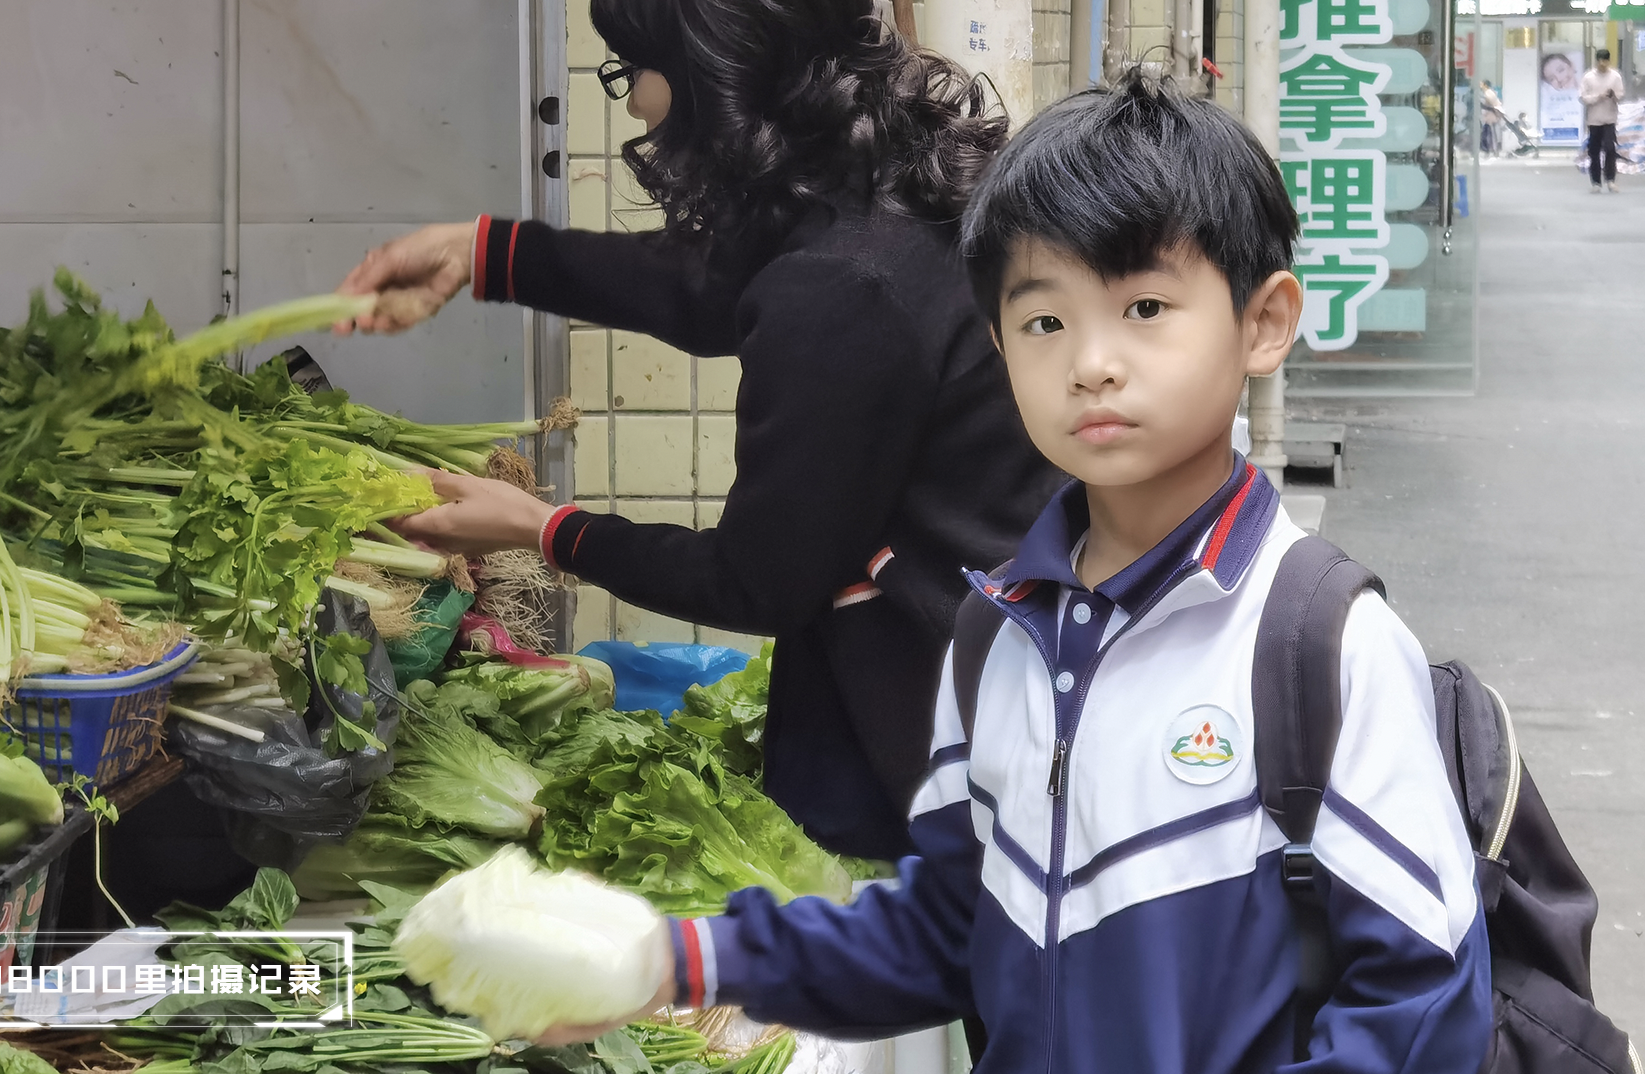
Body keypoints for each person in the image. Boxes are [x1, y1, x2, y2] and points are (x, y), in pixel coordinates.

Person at [521, 73, 1494, 1072]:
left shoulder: (1320, 642)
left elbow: (1420, 1008)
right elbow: (944, 933)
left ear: (1264, 322)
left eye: (1147, 306)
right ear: (998, 342)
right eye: (1044, 322)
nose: (1092, 364)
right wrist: (671, 958)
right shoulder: (994, 637)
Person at [334, 0, 1060, 861]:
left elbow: (759, 585)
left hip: (938, 738)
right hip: (1000, 672)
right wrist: (485, 253)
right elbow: (716, 290)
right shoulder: (895, 174)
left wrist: (543, 529)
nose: (635, 103)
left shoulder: (844, 289)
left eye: (633, 72)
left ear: (712, 77)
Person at [1582, 48, 1626, 193]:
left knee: (1610, 149)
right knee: (1593, 151)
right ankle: (1596, 182)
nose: (1602, 64)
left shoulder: (1615, 76)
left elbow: (1621, 96)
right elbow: (1583, 97)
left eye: (1605, 61)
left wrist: (1613, 95)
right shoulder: (1588, 77)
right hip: (1594, 120)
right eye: (1600, 61)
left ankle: (1610, 180)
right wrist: (1598, 97)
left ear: (1609, 61)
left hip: (1609, 119)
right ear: (1596, 61)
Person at [1479, 79, 1504, 154]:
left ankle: (1492, 149)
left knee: (1491, 133)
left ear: (1485, 85)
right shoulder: (1490, 93)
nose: (1480, 86)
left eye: (1482, 84)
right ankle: (1489, 149)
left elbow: (1491, 104)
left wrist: (1483, 105)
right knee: (1488, 132)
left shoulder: (1488, 93)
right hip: (1491, 115)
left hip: (1491, 115)